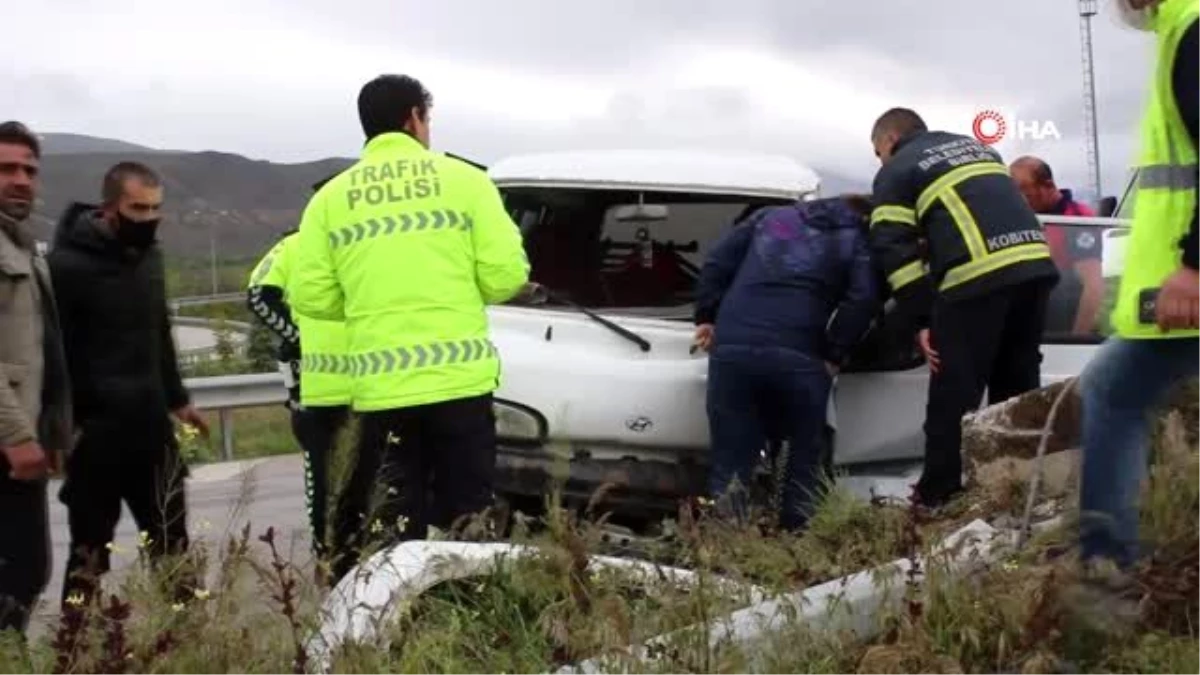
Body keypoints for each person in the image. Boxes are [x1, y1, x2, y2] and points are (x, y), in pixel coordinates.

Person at [289, 74, 530, 564]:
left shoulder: (330, 200)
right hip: (459, 385)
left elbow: (309, 295)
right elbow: (507, 276)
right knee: (470, 521)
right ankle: (472, 616)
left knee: (394, 524)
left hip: (382, 393)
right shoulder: (467, 182)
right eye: (428, 118)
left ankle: (400, 623)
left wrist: (366, 302)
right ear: (414, 119)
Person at [868, 107, 1060, 508]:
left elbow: (893, 250)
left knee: (954, 393)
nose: (879, 160)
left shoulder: (898, 169)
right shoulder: (977, 149)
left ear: (889, 140)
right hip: (1034, 268)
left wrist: (919, 318)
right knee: (1017, 389)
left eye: (877, 151)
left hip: (977, 277)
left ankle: (938, 496)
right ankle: (1021, 489)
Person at [1075, 0, 1200, 589]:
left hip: (1191, 285)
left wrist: (1195, 266)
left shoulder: (1191, 30)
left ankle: (1106, 568)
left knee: (1112, 391)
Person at [48, 161, 209, 609]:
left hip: (151, 432)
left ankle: (190, 646)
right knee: (89, 557)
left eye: (155, 208)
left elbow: (158, 331)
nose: (148, 218)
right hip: (94, 437)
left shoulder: (150, 259)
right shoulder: (65, 266)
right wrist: (62, 429)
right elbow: (51, 354)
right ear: (109, 208)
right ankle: (77, 651)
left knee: (173, 549)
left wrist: (178, 401)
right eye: (138, 208)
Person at [692, 194, 879, 531]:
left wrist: (706, 316)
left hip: (735, 351)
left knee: (731, 461)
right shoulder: (857, 236)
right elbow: (863, 299)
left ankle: (727, 547)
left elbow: (717, 262)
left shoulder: (770, 219)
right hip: (800, 357)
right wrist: (835, 353)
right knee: (799, 459)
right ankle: (796, 548)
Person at [245, 182, 377, 581]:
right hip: (317, 388)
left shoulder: (366, 242)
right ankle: (329, 559)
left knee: (367, 477)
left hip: (367, 385)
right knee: (324, 478)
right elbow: (258, 295)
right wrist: (297, 337)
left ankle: (358, 559)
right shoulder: (296, 245)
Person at [0, 121, 73, 634]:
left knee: (27, 573)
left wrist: (52, 432)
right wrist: (17, 436)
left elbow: (43, 352)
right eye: (6, 168)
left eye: (29, 169)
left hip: (23, 442)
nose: (21, 179)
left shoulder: (24, 248)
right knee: (14, 577)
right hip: (7, 441)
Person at [1010, 156, 1106, 336]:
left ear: (1048, 186)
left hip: (1064, 319)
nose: (1019, 199)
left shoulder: (1075, 219)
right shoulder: (1029, 218)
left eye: (1024, 190)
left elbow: (1093, 286)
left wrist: (1077, 339)